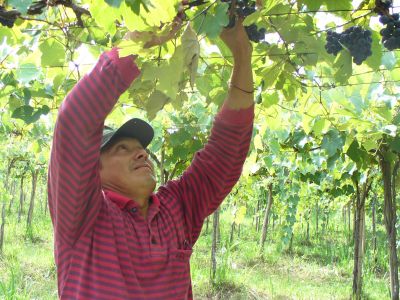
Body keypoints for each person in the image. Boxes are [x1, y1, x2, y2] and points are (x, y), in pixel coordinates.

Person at [48, 16, 254, 300]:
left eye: (141, 148)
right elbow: (75, 120)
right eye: (122, 148)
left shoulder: (176, 209)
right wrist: (138, 40)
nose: (142, 152)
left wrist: (243, 55)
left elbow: (225, 154)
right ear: (93, 170)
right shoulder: (83, 217)